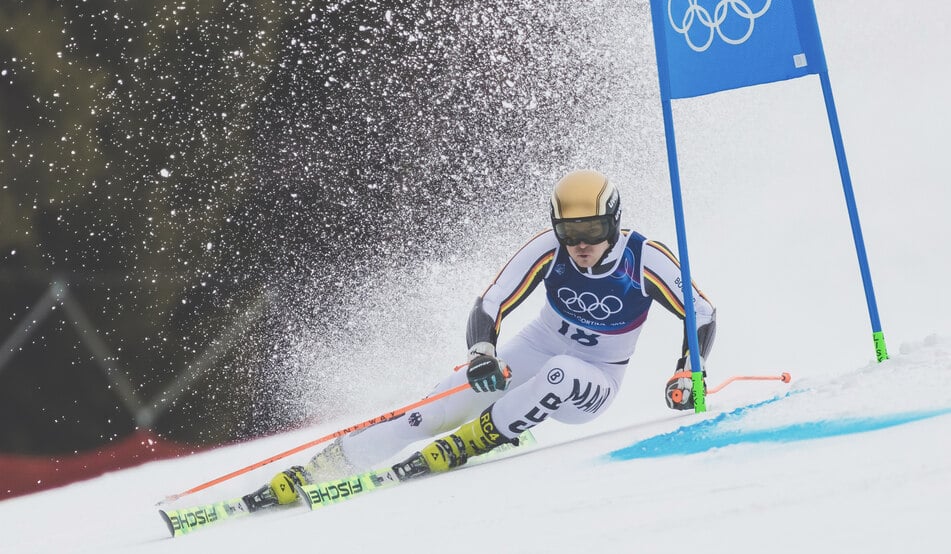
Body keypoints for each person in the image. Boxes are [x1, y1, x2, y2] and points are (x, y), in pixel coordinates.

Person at [244, 169, 717, 510]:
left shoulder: (644, 258)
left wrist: (688, 370)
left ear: (612, 222)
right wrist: (482, 354)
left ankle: (476, 440)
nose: (580, 244)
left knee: (560, 374)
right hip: (536, 345)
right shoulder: (548, 251)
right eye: (569, 231)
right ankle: (317, 470)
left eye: (591, 229)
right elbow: (490, 304)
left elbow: (702, 314)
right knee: (433, 410)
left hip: (596, 378)